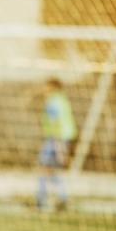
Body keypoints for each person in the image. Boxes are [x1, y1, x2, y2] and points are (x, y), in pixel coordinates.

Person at [37, 77, 77, 211]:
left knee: (43, 168)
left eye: (45, 86)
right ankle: (62, 198)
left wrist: (59, 147)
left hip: (55, 140)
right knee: (51, 170)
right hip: (62, 138)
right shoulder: (62, 100)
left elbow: (56, 124)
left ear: (52, 88)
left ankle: (41, 200)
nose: (43, 89)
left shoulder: (53, 102)